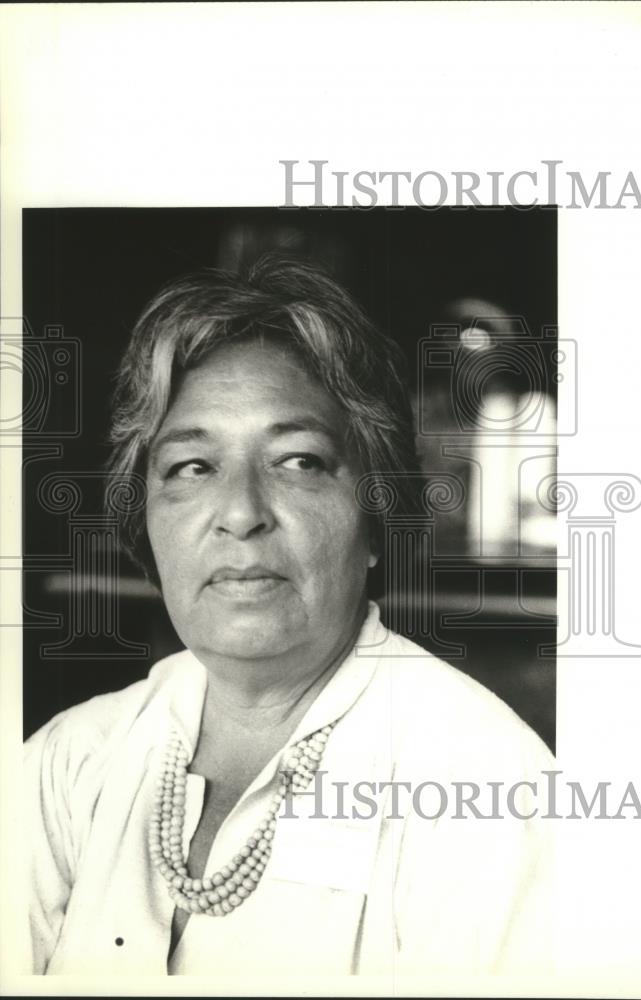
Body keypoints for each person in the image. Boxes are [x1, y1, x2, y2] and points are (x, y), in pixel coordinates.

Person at [24, 253, 555, 978]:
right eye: (192, 466)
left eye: (299, 461)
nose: (241, 514)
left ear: (374, 513)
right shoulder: (67, 762)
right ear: (141, 516)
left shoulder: (486, 787)